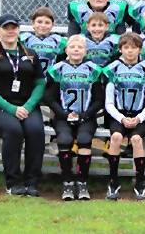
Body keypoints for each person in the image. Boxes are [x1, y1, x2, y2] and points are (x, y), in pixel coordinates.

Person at [0, 14, 45, 196]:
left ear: (19, 30)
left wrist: (28, 106)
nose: (10, 31)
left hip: (27, 107)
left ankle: (32, 182)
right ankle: (13, 183)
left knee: (36, 130)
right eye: (6, 28)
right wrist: (11, 108)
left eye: (13, 27)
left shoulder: (30, 54)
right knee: (14, 130)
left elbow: (40, 83)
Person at [45, 34, 104, 201]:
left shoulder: (93, 70)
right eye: (72, 47)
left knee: (85, 140)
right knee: (64, 140)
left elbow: (99, 99)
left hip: (86, 116)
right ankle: (67, 182)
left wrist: (85, 115)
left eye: (80, 47)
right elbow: (49, 97)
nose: (76, 49)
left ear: (86, 51)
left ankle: (82, 182)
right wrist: (63, 114)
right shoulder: (58, 69)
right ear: (66, 50)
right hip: (64, 116)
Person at [103, 32, 145, 201]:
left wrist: (139, 118)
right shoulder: (112, 69)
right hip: (119, 114)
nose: (130, 51)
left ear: (140, 50)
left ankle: (140, 182)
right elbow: (109, 102)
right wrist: (121, 118)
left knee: (136, 140)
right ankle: (113, 181)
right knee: (116, 137)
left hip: (139, 115)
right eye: (126, 48)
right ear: (120, 49)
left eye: (134, 48)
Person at [20, 6, 66, 73]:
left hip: (49, 78)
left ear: (52, 25)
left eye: (47, 23)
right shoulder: (25, 39)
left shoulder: (58, 41)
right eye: (39, 22)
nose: (43, 25)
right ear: (33, 23)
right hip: (28, 77)